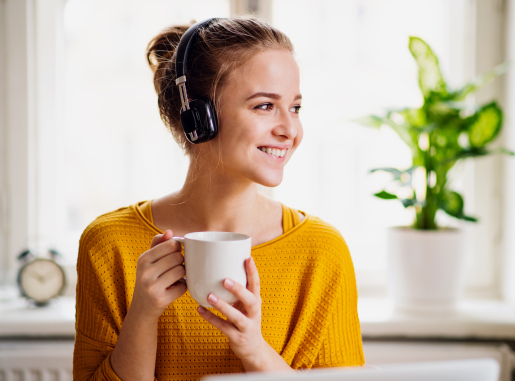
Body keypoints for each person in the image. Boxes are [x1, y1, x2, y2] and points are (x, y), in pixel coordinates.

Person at [73, 17, 364, 381]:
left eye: (295, 107)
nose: (290, 130)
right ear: (199, 116)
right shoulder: (109, 244)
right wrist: (142, 317)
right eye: (264, 106)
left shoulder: (322, 252)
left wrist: (254, 350)